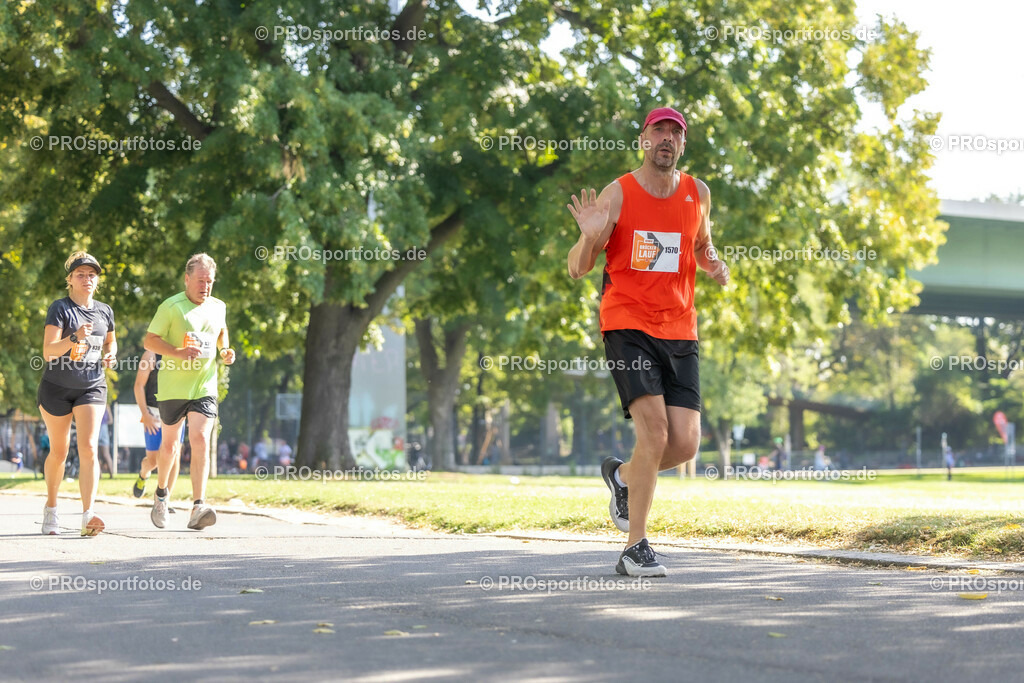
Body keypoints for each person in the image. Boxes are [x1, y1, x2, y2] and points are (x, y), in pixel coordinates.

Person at [566, 106, 729, 576]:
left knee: (684, 445)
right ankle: (635, 547)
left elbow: (702, 244)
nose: (666, 139)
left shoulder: (698, 193)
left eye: (674, 133)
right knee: (654, 434)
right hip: (628, 325)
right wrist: (589, 238)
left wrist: (715, 262)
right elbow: (577, 268)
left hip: (680, 329)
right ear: (644, 139)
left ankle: (620, 477)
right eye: (658, 130)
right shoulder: (619, 193)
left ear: (683, 144)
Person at [144, 253, 234, 530]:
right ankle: (161, 495)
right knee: (169, 446)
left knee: (200, 437)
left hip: (204, 386)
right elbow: (150, 339)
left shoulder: (218, 306)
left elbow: (222, 331)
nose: (205, 286)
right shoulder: (171, 307)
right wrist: (177, 352)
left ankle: (198, 506)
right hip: (172, 387)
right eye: (200, 280)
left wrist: (225, 350)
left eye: (209, 281)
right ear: (187, 279)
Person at [37, 251, 117, 536]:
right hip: (56, 388)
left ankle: (88, 515)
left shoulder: (105, 311)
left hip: (91, 385)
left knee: (89, 447)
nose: (87, 279)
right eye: (81, 274)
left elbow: (111, 342)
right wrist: (74, 338)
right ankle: (51, 508)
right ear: (69, 279)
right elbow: (48, 352)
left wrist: (111, 355)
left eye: (92, 274)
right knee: (59, 452)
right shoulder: (60, 308)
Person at [131, 350, 184, 512]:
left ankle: (165, 499)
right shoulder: (151, 355)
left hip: (177, 411)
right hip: (154, 413)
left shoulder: (183, 352)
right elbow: (139, 386)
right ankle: (143, 474)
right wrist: (145, 414)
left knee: (174, 455)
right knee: (153, 462)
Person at [96, 404, 114, 478]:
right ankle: (111, 475)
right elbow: (110, 421)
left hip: (97, 428)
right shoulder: (107, 406)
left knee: (96, 455)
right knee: (106, 455)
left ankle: (99, 475)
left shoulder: (96, 404)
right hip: (104, 430)